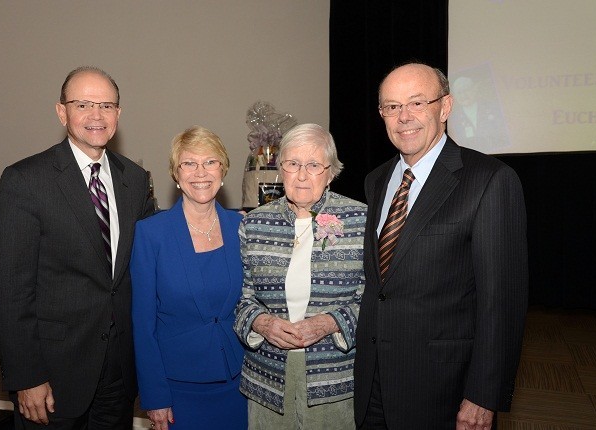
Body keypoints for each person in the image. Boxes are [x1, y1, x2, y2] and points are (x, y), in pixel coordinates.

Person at [353, 62, 528, 430]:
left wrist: (483, 394)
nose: (404, 117)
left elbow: (502, 302)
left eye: (417, 103)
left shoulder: (489, 181)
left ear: (445, 108)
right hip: (373, 383)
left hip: (443, 389)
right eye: (392, 106)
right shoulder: (376, 180)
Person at [0, 66, 154, 429]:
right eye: (83, 105)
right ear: (61, 112)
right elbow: (9, 290)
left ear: (118, 115)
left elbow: (146, 265)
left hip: (118, 370)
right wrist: (25, 376)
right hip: (52, 371)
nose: (96, 115)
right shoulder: (25, 180)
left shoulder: (136, 180)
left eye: (106, 106)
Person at [234, 123, 367, 429]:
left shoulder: (360, 219)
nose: (302, 175)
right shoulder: (255, 223)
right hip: (267, 377)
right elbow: (242, 299)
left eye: (314, 165)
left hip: (334, 377)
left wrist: (329, 323)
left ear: (330, 172)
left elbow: (373, 298)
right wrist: (261, 322)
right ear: (281, 169)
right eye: (293, 164)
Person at [131, 126, 248, 430]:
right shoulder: (151, 234)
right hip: (178, 387)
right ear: (176, 174)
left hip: (241, 382)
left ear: (223, 170)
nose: (200, 172)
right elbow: (143, 324)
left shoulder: (242, 228)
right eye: (189, 163)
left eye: (210, 162)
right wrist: (155, 396)